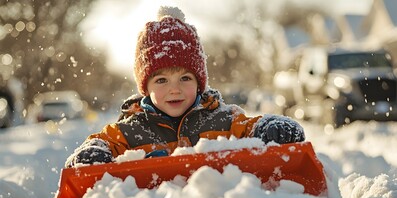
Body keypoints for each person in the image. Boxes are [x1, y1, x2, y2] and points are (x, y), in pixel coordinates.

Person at [65, 6, 305, 168]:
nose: (175, 89)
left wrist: (272, 127)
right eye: (161, 80)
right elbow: (101, 142)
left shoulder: (223, 119)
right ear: (145, 88)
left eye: (185, 78)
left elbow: (250, 127)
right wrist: (90, 153)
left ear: (200, 82)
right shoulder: (129, 132)